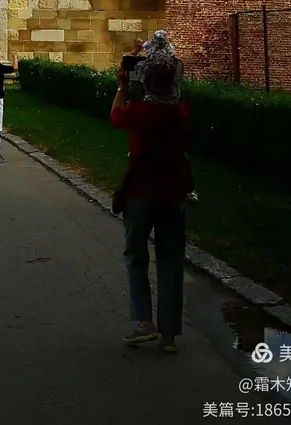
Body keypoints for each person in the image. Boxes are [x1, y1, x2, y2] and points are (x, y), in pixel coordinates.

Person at [111, 30, 190, 355]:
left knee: (136, 255)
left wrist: (121, 84)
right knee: (171, 260)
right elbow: (173, 85)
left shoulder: (139, 113)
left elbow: (116, 116)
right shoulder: (181, 112)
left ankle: (144, 322)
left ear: (146, 81)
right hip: (174, 194)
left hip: (141, 192)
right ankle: (169, 335)